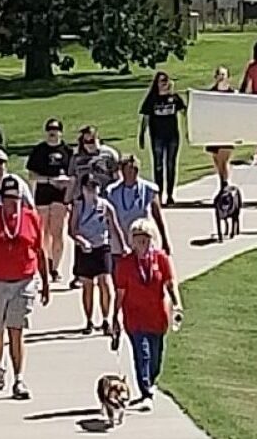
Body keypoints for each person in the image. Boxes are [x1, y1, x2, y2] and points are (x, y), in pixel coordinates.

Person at [0, 176, 50, 400]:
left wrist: (45, 283)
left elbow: (40, 251)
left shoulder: (31, 218)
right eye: (7, 199)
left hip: (23, 280)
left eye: (16, 199)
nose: (12, 203)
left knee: (17, 329)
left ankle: (19, 379)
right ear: (1, 200)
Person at [113, 219, 183, 412]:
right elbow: (120, 292)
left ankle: (150, 382)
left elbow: (170, 283)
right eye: (137, 239)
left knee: (156, 357)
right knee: (141, 354)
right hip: (134, 318)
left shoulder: (160, 259)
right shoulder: (125, 264)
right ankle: (146, 393)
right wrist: (114, 317)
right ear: (131, 242)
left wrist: (177, 303)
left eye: (145, 239)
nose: (141, 243)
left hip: (157, 316)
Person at [69, 173, 128, 335]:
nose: (92, 190)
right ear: (83, 188)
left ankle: (106, 319)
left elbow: (115, 227)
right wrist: (82, 241)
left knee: (105, 282)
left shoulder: (105, 205)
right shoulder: (78, 206)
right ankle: (88, 320)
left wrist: (122, 246)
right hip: (85, 249)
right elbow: (72, 230)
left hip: (102, 247)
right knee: (88, 286)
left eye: (95, 186)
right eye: (89, 186)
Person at [26, 118, 73, 282]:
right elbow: (32, 174)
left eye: (56, 129)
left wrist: (66, 183)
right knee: (43, 231)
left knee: (58, 231)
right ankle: (44, 263)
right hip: (43, 192)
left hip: (60, 194)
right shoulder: (39, 150)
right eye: (50, 129)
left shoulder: (68, 151)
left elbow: (73, 174)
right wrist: (48, 180)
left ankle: (55, 267)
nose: (53, 132)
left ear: (61, 131)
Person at [106, 155, 171, 257]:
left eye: (135, 169)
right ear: (122, 171)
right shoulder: (112, 192)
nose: (132, 172)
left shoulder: (149, 189)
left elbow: (158, 216)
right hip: (121, 241)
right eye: (129, 169)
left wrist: (165, 241)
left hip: (143, 240)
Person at [139, 71, 186, 207]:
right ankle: (158, 195)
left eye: (166, 80)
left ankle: (170, 195)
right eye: (161, 81)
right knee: (158, 166)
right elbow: (146, 118)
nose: (164, 83)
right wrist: (142, 135)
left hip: (172, 136)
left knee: (171, 165)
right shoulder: (152, 99)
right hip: (157, 136)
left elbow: (185, 112)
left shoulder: (175, 98)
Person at [68, 125, 120, 201]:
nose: (89, 145)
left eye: (92, 141)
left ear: (98, 139)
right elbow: (72, 181)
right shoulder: (76, 158)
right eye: (86, 142)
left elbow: (117, 178)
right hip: (83, 199)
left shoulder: (108, 154)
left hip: (106, 197)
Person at [205, 67, 236, 188]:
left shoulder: (232, 94)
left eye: (224, 74)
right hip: (214, 131)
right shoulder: (210, 94)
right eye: (219, 74)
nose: (221, 77)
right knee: (217, 162)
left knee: (224, 160)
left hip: (227, 130)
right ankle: (222, 182)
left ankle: (225, 184)